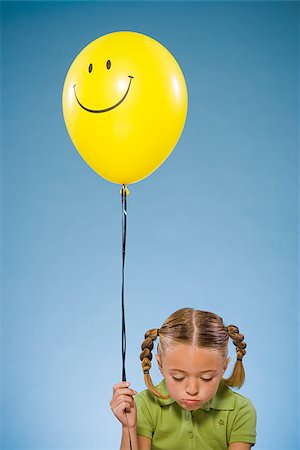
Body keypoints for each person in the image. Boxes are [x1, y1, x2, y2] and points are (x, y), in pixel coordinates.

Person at [110, 308, 256, 450]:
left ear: (224, 367)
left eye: (206, 378)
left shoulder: (240, 410)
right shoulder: (144, 406)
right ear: (160, 366)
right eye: (178, 377)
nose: (192, 390)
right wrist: (129, 427)